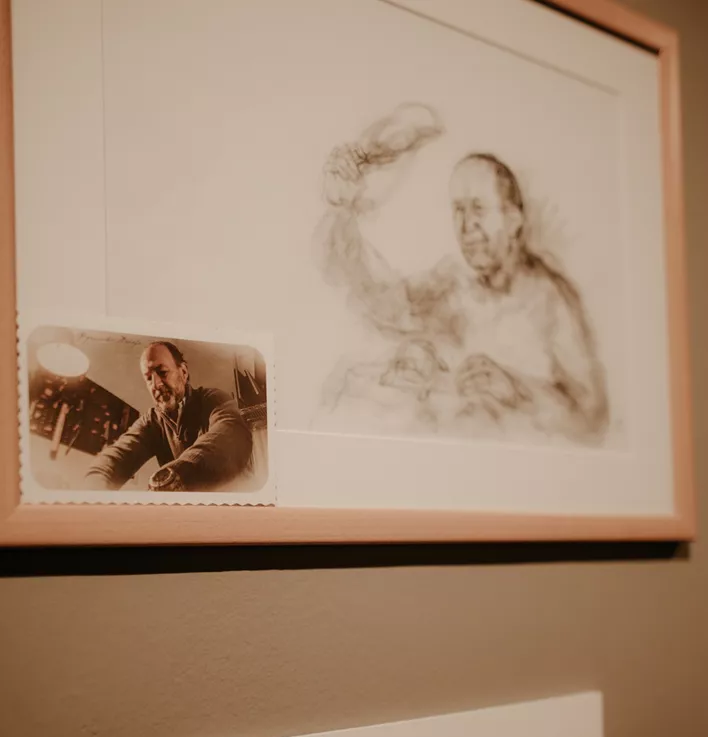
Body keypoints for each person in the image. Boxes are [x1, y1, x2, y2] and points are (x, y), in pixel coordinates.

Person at [320, 104, 608, 442]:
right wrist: (342, 212)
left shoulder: (550, 299)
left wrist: (518, 390)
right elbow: (382, 304)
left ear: (513, 220)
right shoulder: (454, 283)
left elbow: (591, 417)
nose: (466, 226)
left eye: (478, 209)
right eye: (458, 210)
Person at [85, 341, 252, 491]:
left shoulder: (213, 399)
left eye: (162, 372)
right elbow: (116, 457)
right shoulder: (152, 421)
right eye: (148, 378)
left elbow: (229, 434)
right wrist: (94, 486)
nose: (156, 384)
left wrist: (173, 476)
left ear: (184, 372)